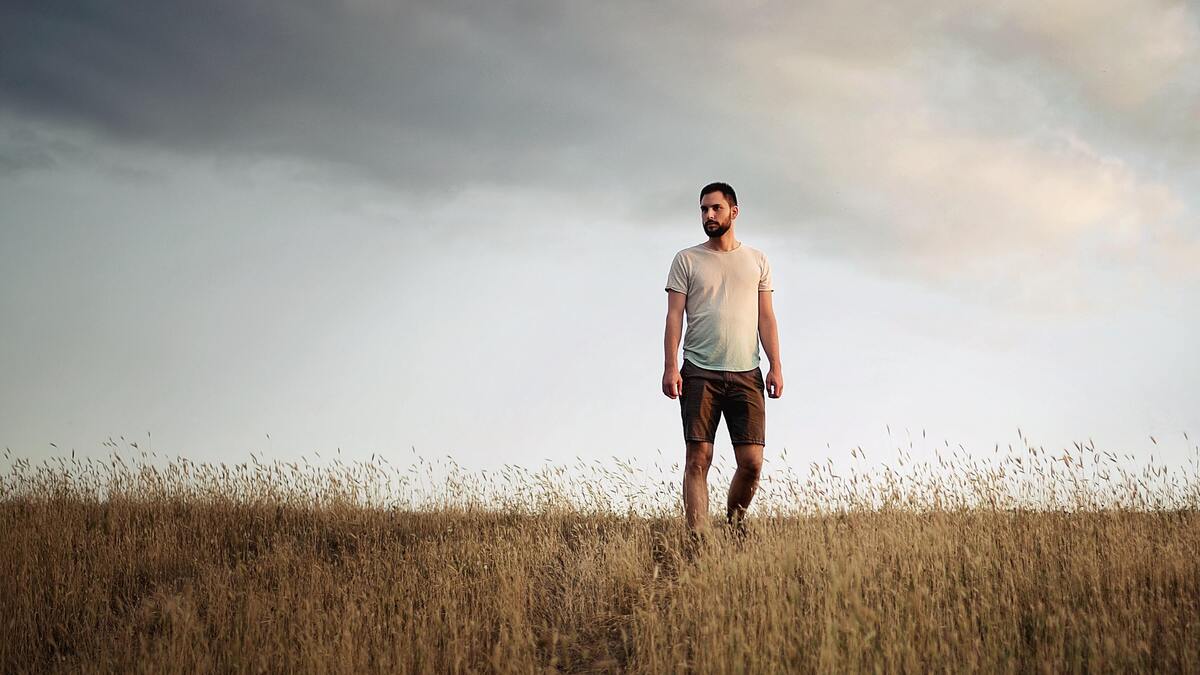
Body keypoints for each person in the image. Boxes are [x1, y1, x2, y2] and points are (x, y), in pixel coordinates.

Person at [662, 182, 783, 534]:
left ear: (734, 211)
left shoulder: (757, 260)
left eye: (715, 208)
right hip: (699, 371)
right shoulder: (686, 259)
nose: (708, 215)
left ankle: (733, 525)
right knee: (698, 458)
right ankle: (699, 540)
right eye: (703, 209)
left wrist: (775, 364)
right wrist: (671, 366)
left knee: (752, 463)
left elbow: (766, 317)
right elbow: (673, 316)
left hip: (747, 373)